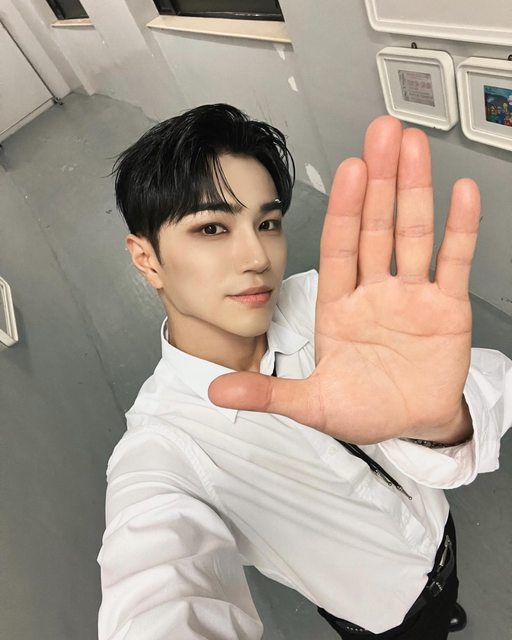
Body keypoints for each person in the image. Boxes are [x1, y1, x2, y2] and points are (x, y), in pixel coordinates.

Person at [97, 103, 512, 639]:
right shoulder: (162, 447)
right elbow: (158, 591)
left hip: (441, 538)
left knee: (446, 596)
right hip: (382, 621)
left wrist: (443, 422)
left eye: (267, 223)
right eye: (212, 228)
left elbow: (491, 382)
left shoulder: (330, 302)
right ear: (146, 258)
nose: (257, 256)